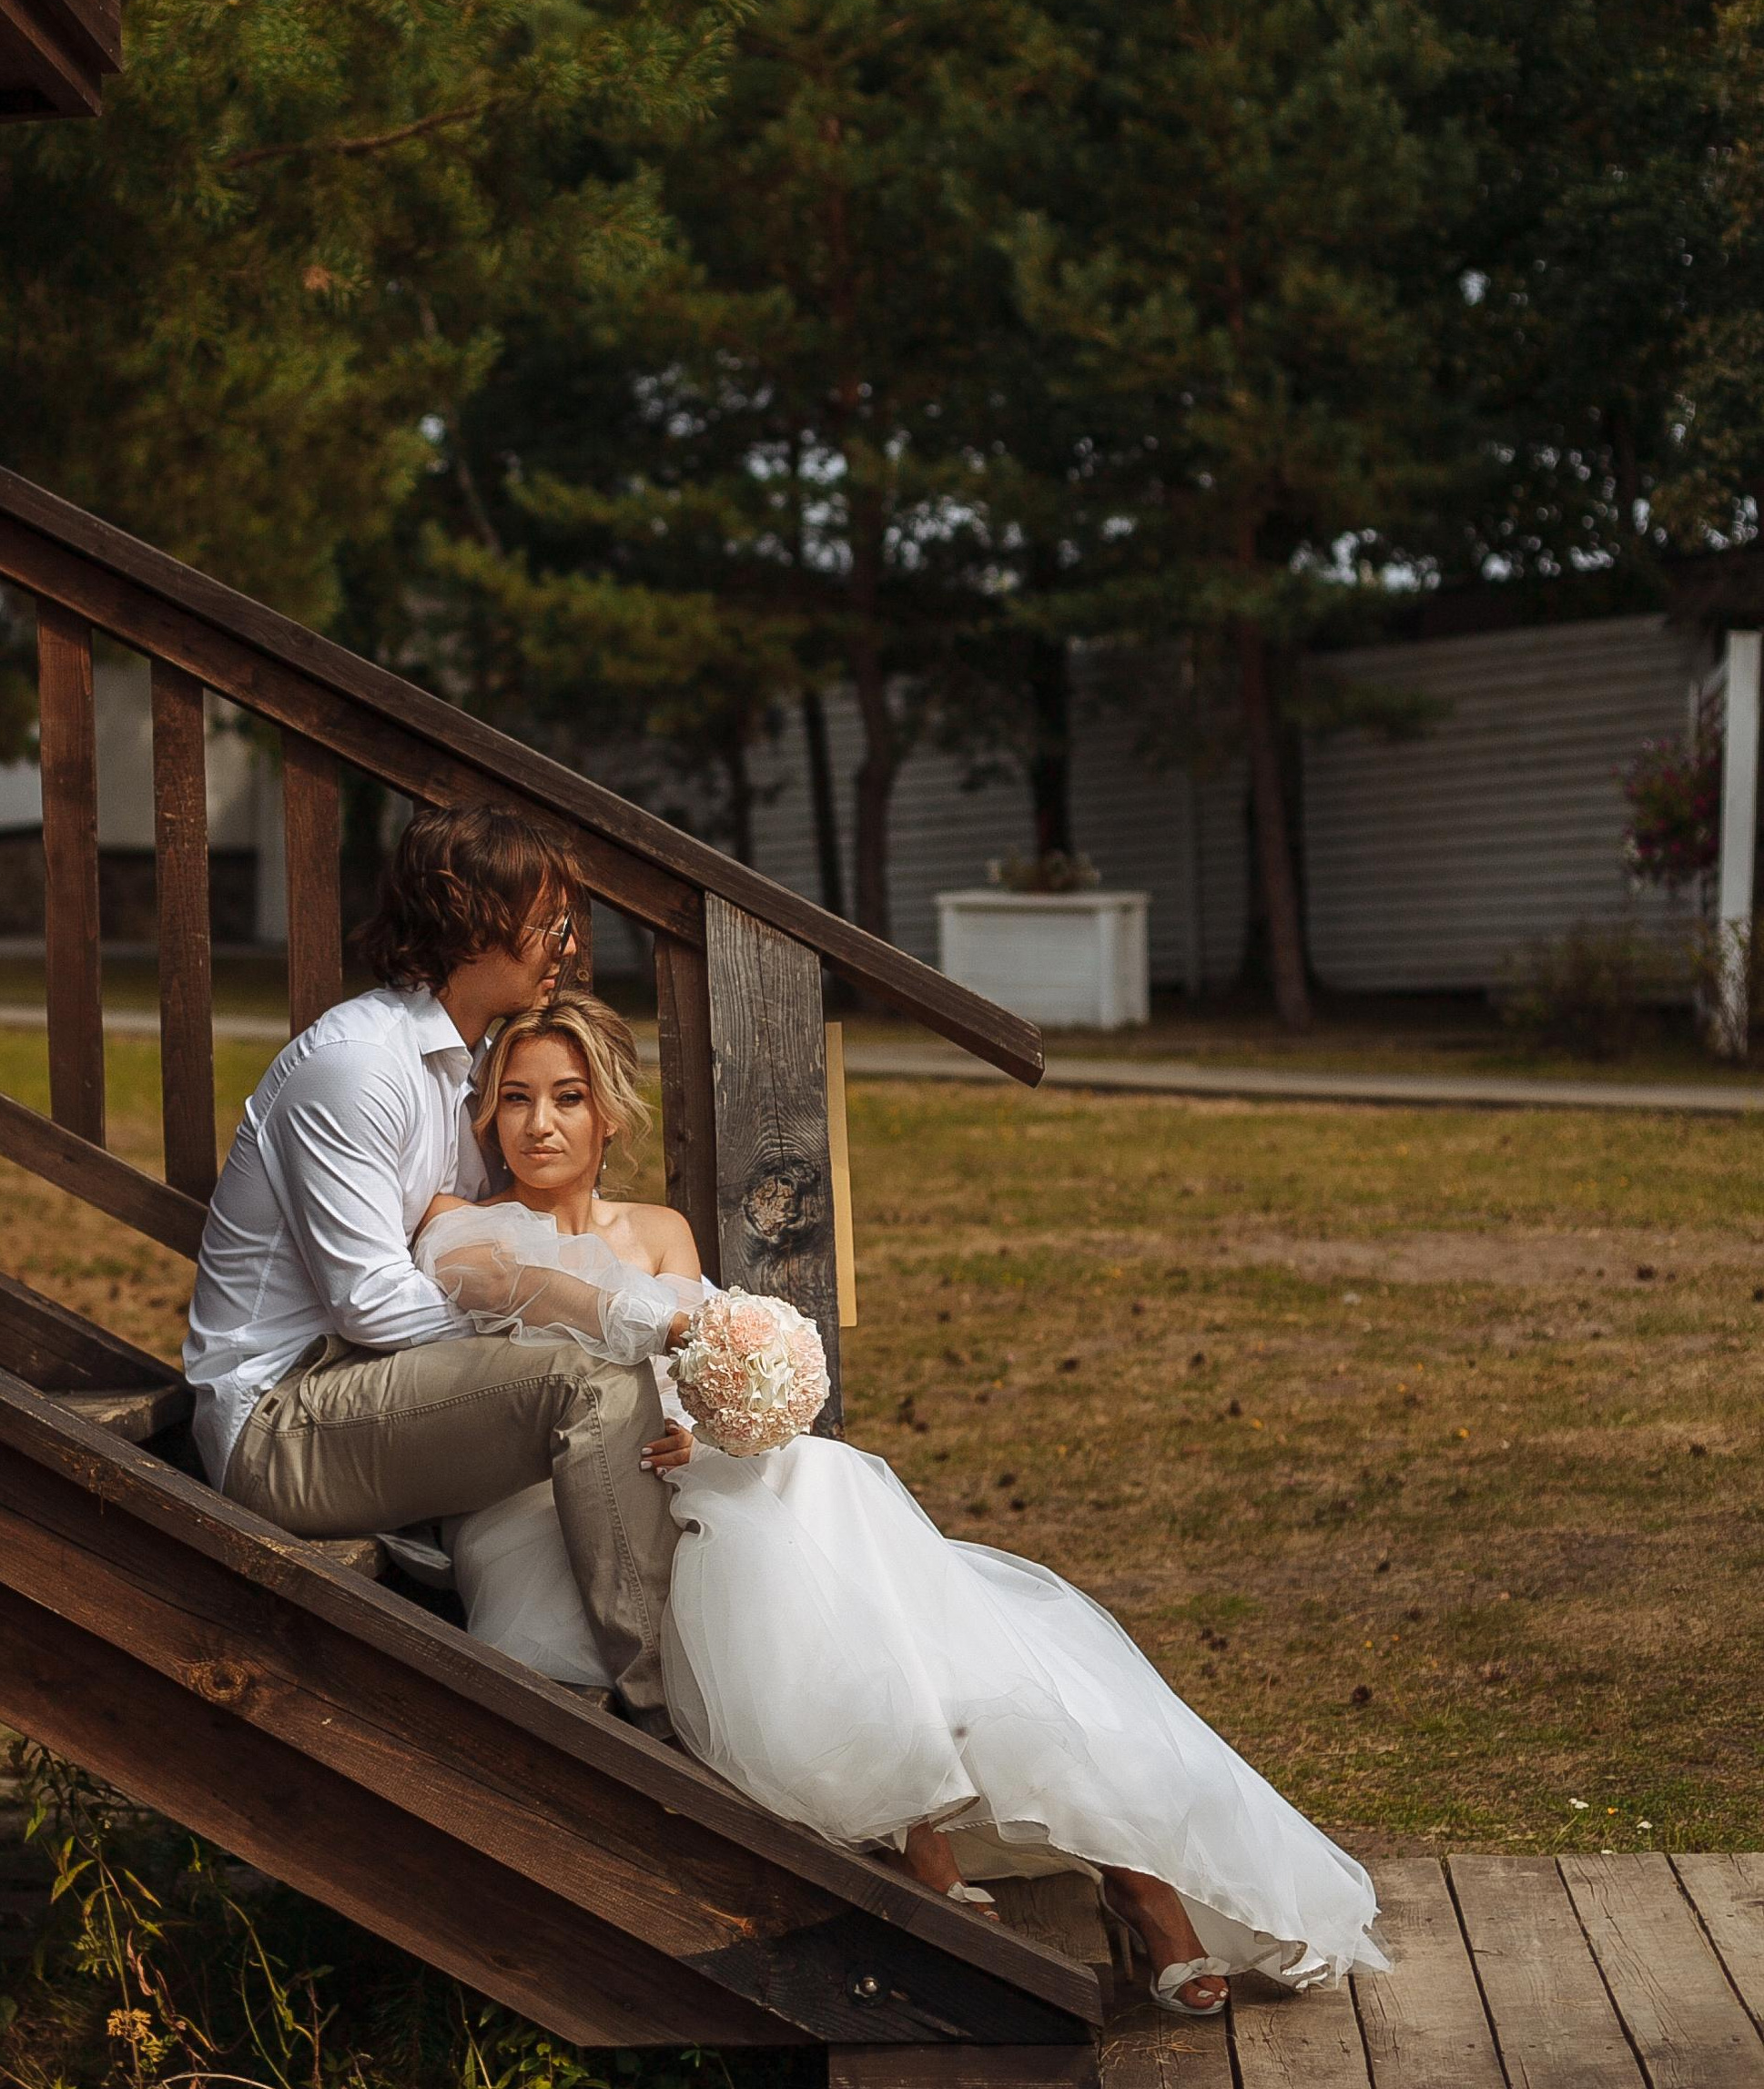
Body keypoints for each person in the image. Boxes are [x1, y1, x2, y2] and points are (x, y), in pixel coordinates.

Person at [417, 996, 1387, 2015]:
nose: (539, 1123)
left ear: (607, 1114)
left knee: (835, 1498)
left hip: (687, 1466)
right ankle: (952, 1848)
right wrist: (643, 1335)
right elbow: (521, 1290)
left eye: (567, 1098)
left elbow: (699, 1382)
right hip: (567, 1502)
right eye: (514, 1099)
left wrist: (710, 1422)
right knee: (817, 1527)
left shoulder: (657, 1229)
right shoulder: (464, 1224)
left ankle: (1138, 1880)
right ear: (485, 1116)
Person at [183, 803, 689, 1729]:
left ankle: (669, 1676)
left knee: (604, 1383)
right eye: (551, 925)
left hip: (372, 1391)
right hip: (282, 1420)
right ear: (472, 922)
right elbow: (371, 1303)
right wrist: (553, 1317)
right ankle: (667, 1715)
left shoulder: (462, 1071)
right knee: (590, 1386)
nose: (567, 950)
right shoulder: (357, 1068)